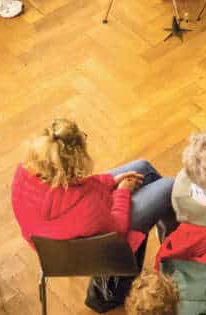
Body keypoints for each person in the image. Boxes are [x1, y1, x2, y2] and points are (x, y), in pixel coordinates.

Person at [11, 118, 176, 300]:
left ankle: (172, 244)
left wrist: (112, 181)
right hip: (87, 250)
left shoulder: (25, 172)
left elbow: (80, 185)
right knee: (169, 187)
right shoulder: (88, 206)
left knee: (144, 168)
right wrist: (122, 192)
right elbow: (118, 229)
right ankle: (173, 253)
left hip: (50, 246)